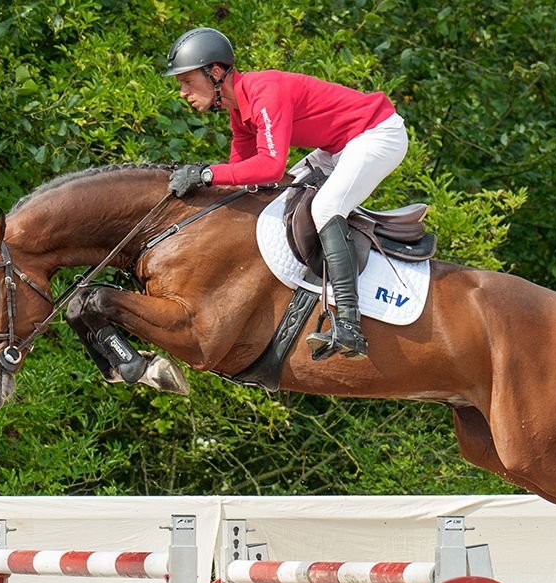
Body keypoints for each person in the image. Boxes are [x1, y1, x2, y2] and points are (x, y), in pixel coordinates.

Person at [164, 27, 409, 361]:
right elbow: (241, 174)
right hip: (338, 147)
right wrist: (203, 182)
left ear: (216, 72)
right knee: (282, 201)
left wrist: (207, 173)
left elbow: (269, 167)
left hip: (377, 134)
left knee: (324, 208)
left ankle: (350, 325)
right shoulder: (240, 112)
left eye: (187, 81)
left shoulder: (266, 91)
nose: (183, 92)